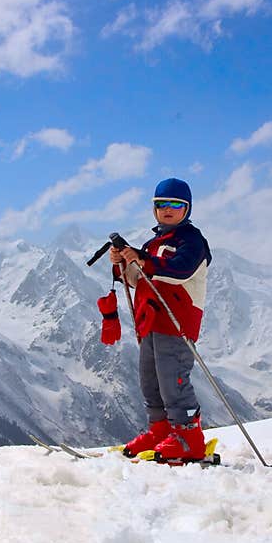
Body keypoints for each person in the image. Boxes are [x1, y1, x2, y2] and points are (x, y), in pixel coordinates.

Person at [110, 177, 212, 461]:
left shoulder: (192, 242)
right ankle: (161, 430)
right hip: (152, 320)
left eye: (175, 204)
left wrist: (143, 260)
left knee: (173, 378)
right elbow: (141, 280)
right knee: (150, 379)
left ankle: (189, 437)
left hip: (176, 321)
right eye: (161, 204)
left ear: (187, 209)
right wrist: (123, 265)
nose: (167, 209)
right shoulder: (153, 243)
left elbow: (179, 270)